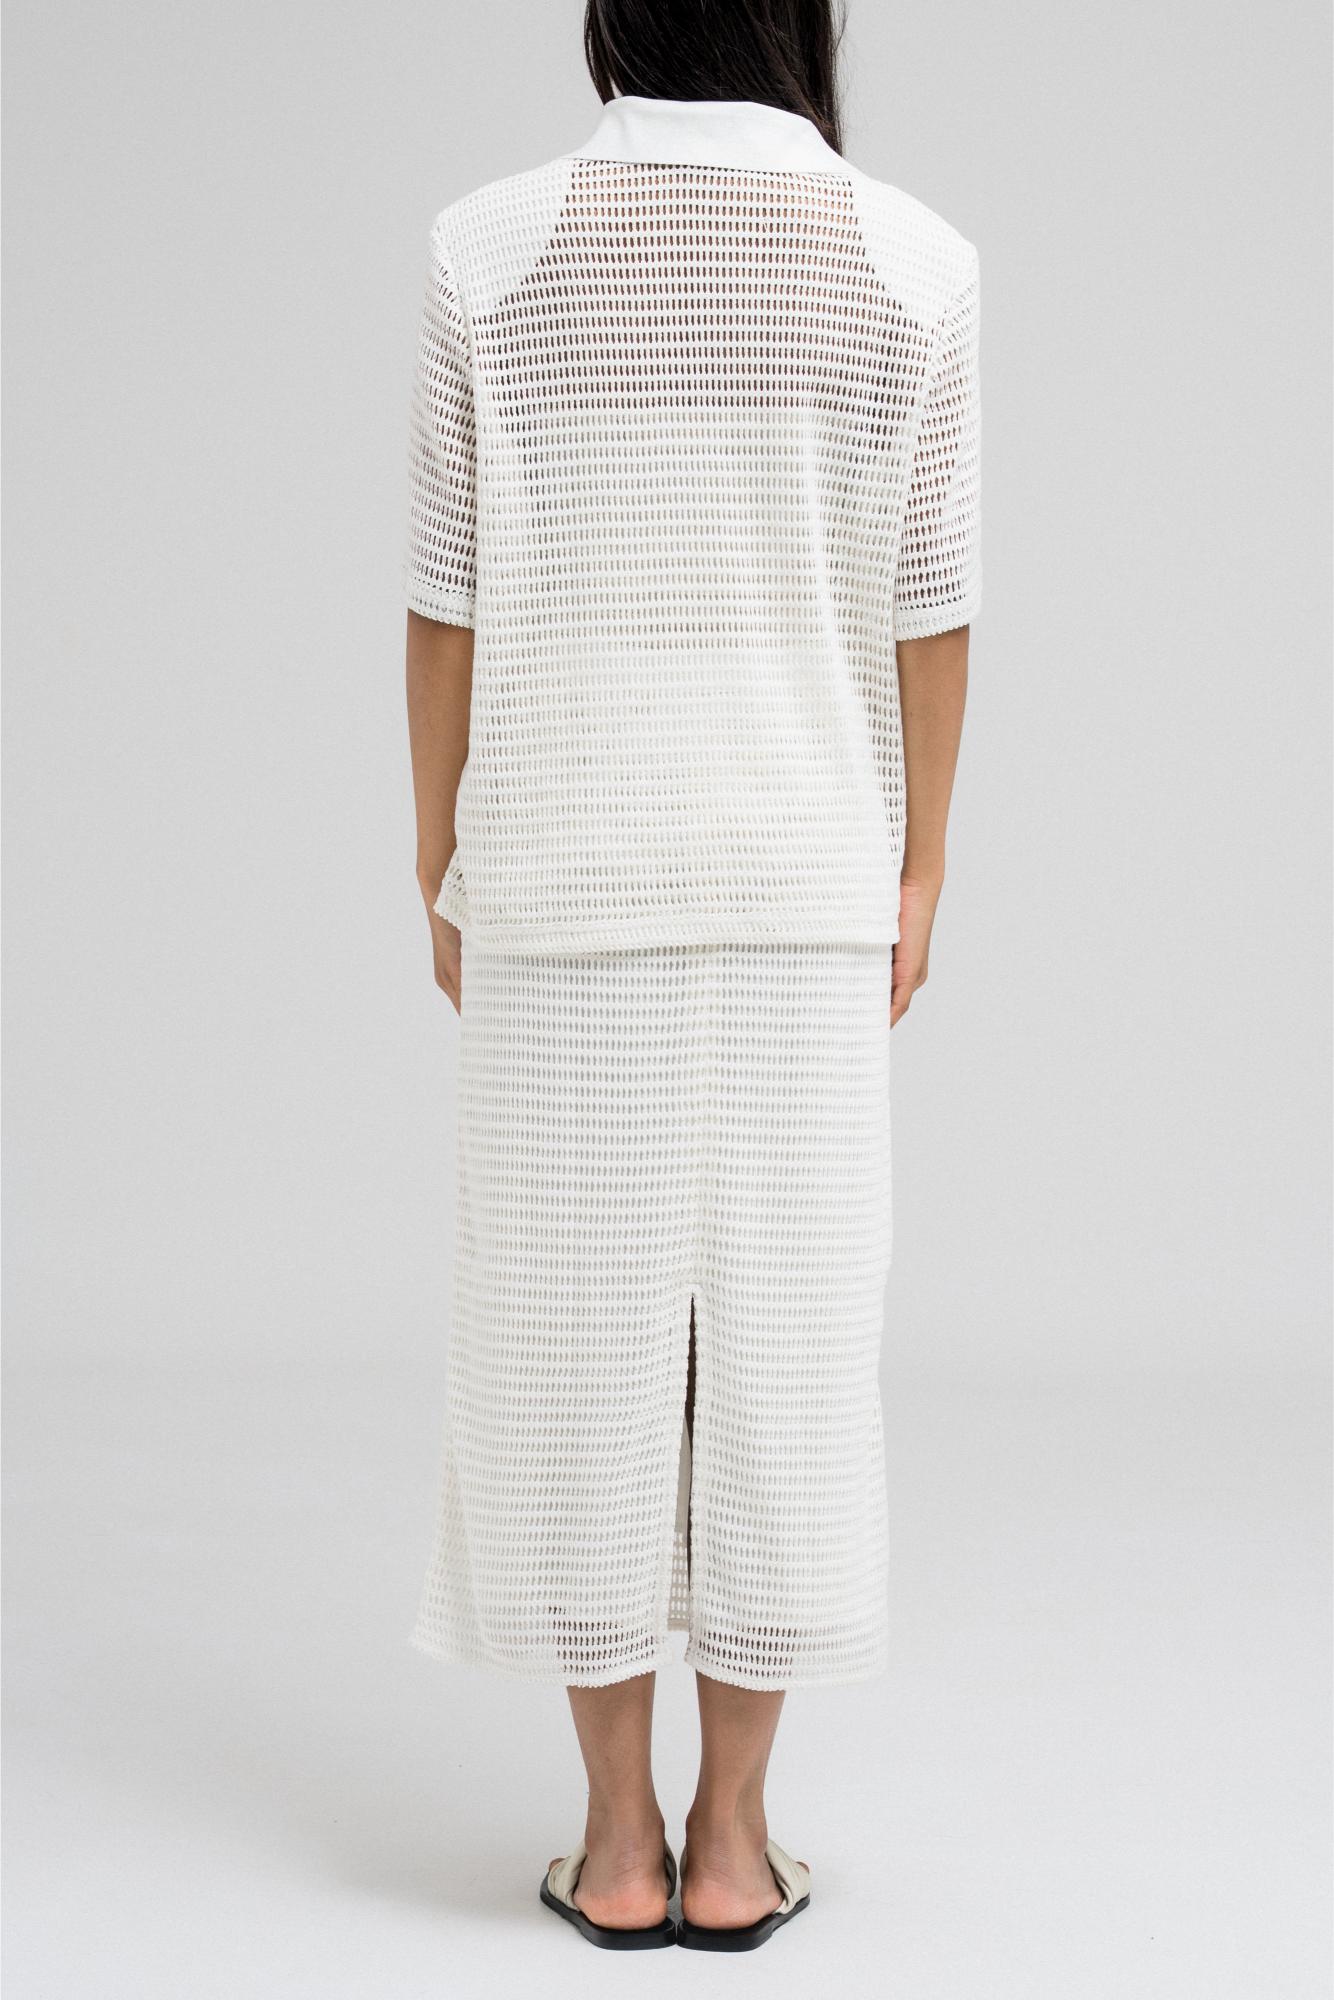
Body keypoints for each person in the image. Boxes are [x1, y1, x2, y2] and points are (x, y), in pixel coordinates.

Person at [402, 0, 979, 1954]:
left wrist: (438, 852)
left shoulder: (484, 250)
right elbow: (930, 610)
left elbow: (443, 602)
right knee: (786, 1361)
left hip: (559, 869)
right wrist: (919, 867)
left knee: (569, 1349)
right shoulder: (915, 263)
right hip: (807, 882)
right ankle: (734, 1842)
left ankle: (611, 1842)